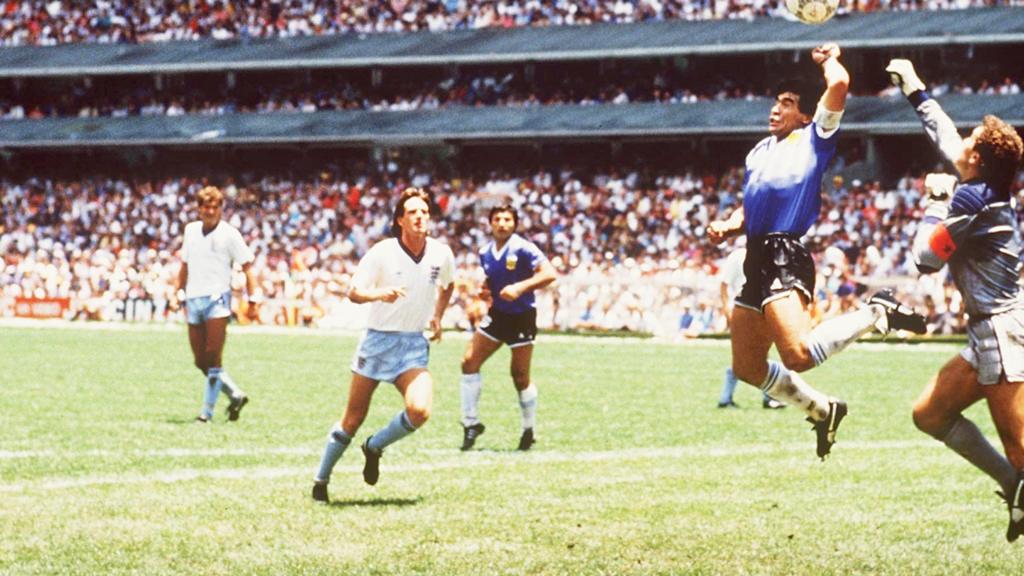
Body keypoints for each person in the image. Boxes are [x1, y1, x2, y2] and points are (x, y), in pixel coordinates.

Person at [706, 43, 926, 460]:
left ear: (805, 114)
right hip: (755, 254)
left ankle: (875, 313)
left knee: (800, 355)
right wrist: (730, 224)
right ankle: (823, 410)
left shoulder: (815, 137)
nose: (776, 110)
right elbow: (751, 203)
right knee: (747, 368)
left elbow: (840, 83)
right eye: (775, 103)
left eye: (787, 104)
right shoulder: (759, 152)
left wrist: (829, 60)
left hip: (784, 253)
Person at [887, 58, 1024, 542]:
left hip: (1004, 335)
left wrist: (934, 203)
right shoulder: (983, 188)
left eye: (969, 144)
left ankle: (1017, 478)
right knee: (930, 413)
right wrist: (916, 91)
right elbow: (947, 137)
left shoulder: (970, 200)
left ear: (979, 161)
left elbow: (925, 259)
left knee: (1022, 448)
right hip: (990, 332)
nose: (959, 144)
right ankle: (1014, 487)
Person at [312, 187, 455, 503]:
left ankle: (374, 446)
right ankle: (321, 480)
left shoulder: (441, 253)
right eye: (412, 212)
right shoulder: (382, 252)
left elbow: (449, 284)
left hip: (413, 344)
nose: (419, 217)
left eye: (424, 212)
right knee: (353, 418)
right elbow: (354, 292)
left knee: (419, 410)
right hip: (378, 341)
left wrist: (438, 317)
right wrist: (380, 294)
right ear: (400, 220)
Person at [459, 204, 558, 451]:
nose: (502, 223)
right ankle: (471, 423)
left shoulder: (524, 248)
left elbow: (549, 274)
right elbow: (492, 280)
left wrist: (519, 288)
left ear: (514, 223)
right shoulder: (485, 252)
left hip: (522, 317)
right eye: (497, 219)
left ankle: (528, 429)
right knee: (469, 362)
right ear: (490, 223)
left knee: (520, 376)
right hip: (498, 315)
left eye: (507, 219)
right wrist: (485, 292)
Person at [168, 186, 257, 423]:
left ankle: (206, 413)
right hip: (193, 298)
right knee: (200, 361)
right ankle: (235, 394)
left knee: (213, 356)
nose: (210, 211)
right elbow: (184, 264)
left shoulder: (230, 234)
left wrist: (253, 299)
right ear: (199, 209)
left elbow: (247, 266)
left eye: (215, 207)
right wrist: (178, 290)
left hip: (217, 298)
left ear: (221, 209)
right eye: (206, 207)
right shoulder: (191, 231)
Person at [716, 239, 785, 410]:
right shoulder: (739, 256)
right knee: (746, 356)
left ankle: (730, 398)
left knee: (756, 355)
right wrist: (727, 310)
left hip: (759, 310)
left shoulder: (766, 257)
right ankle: (765, 398)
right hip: (744, 309)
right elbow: (724, 285)